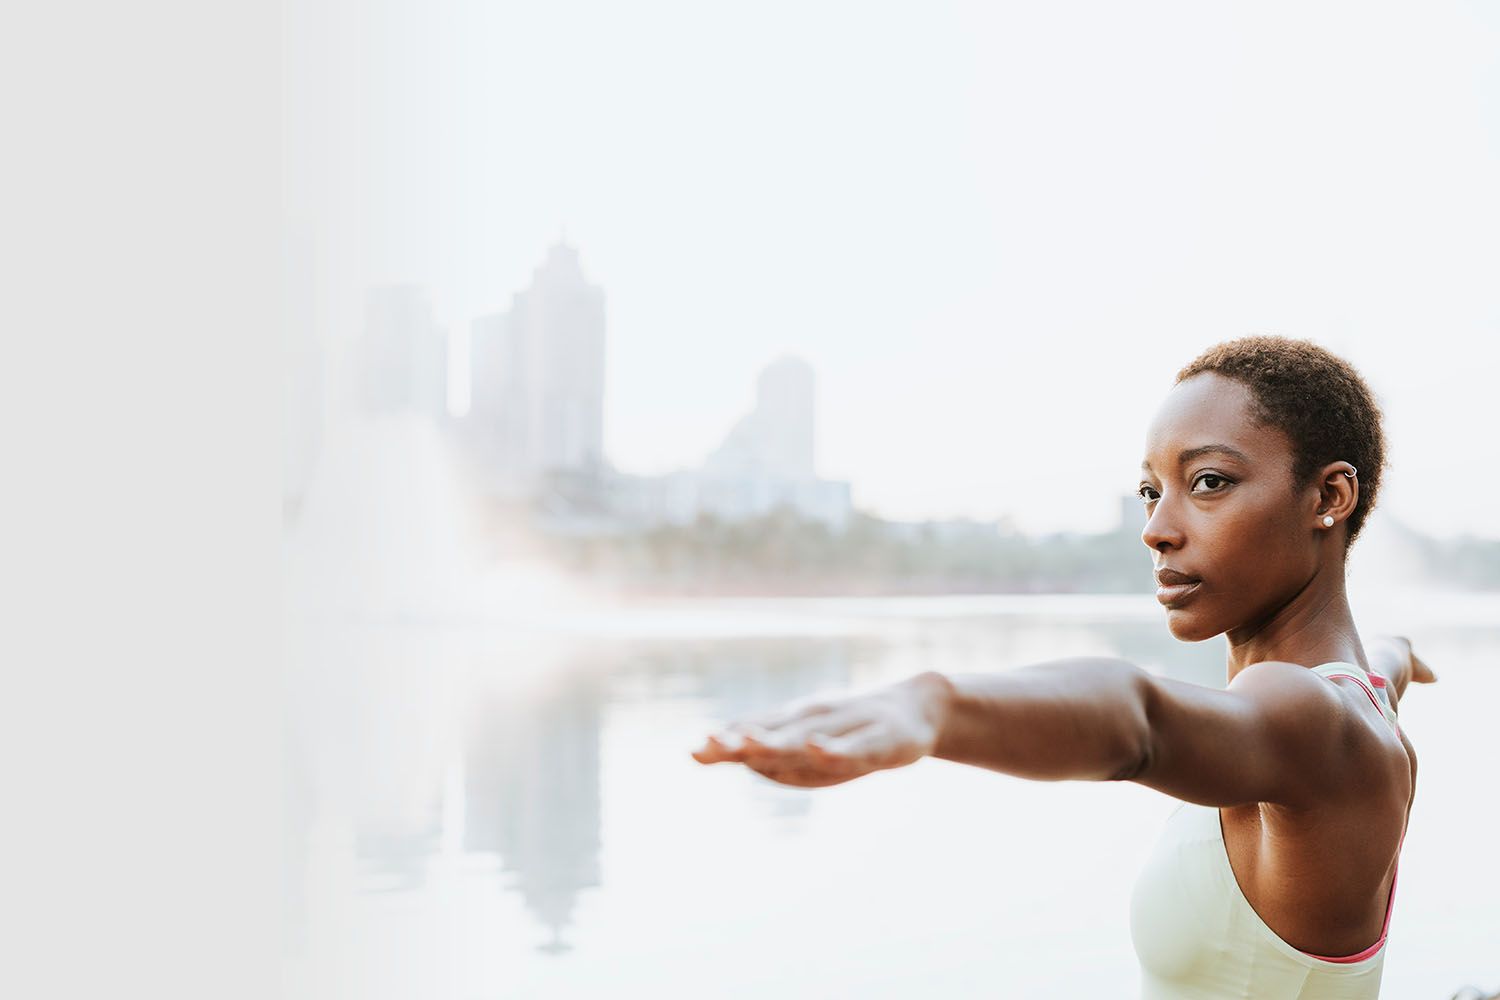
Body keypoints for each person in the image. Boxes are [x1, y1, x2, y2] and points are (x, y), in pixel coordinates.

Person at [691, 335, 1439, 998]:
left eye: (1209, 482)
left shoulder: (1307, 719)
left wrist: (936, 707)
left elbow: (1138, 719)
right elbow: (1384, 665)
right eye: (1152, 491)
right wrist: (1402, 655)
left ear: (1329, 497)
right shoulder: (1363, 697)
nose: (1156, 530)